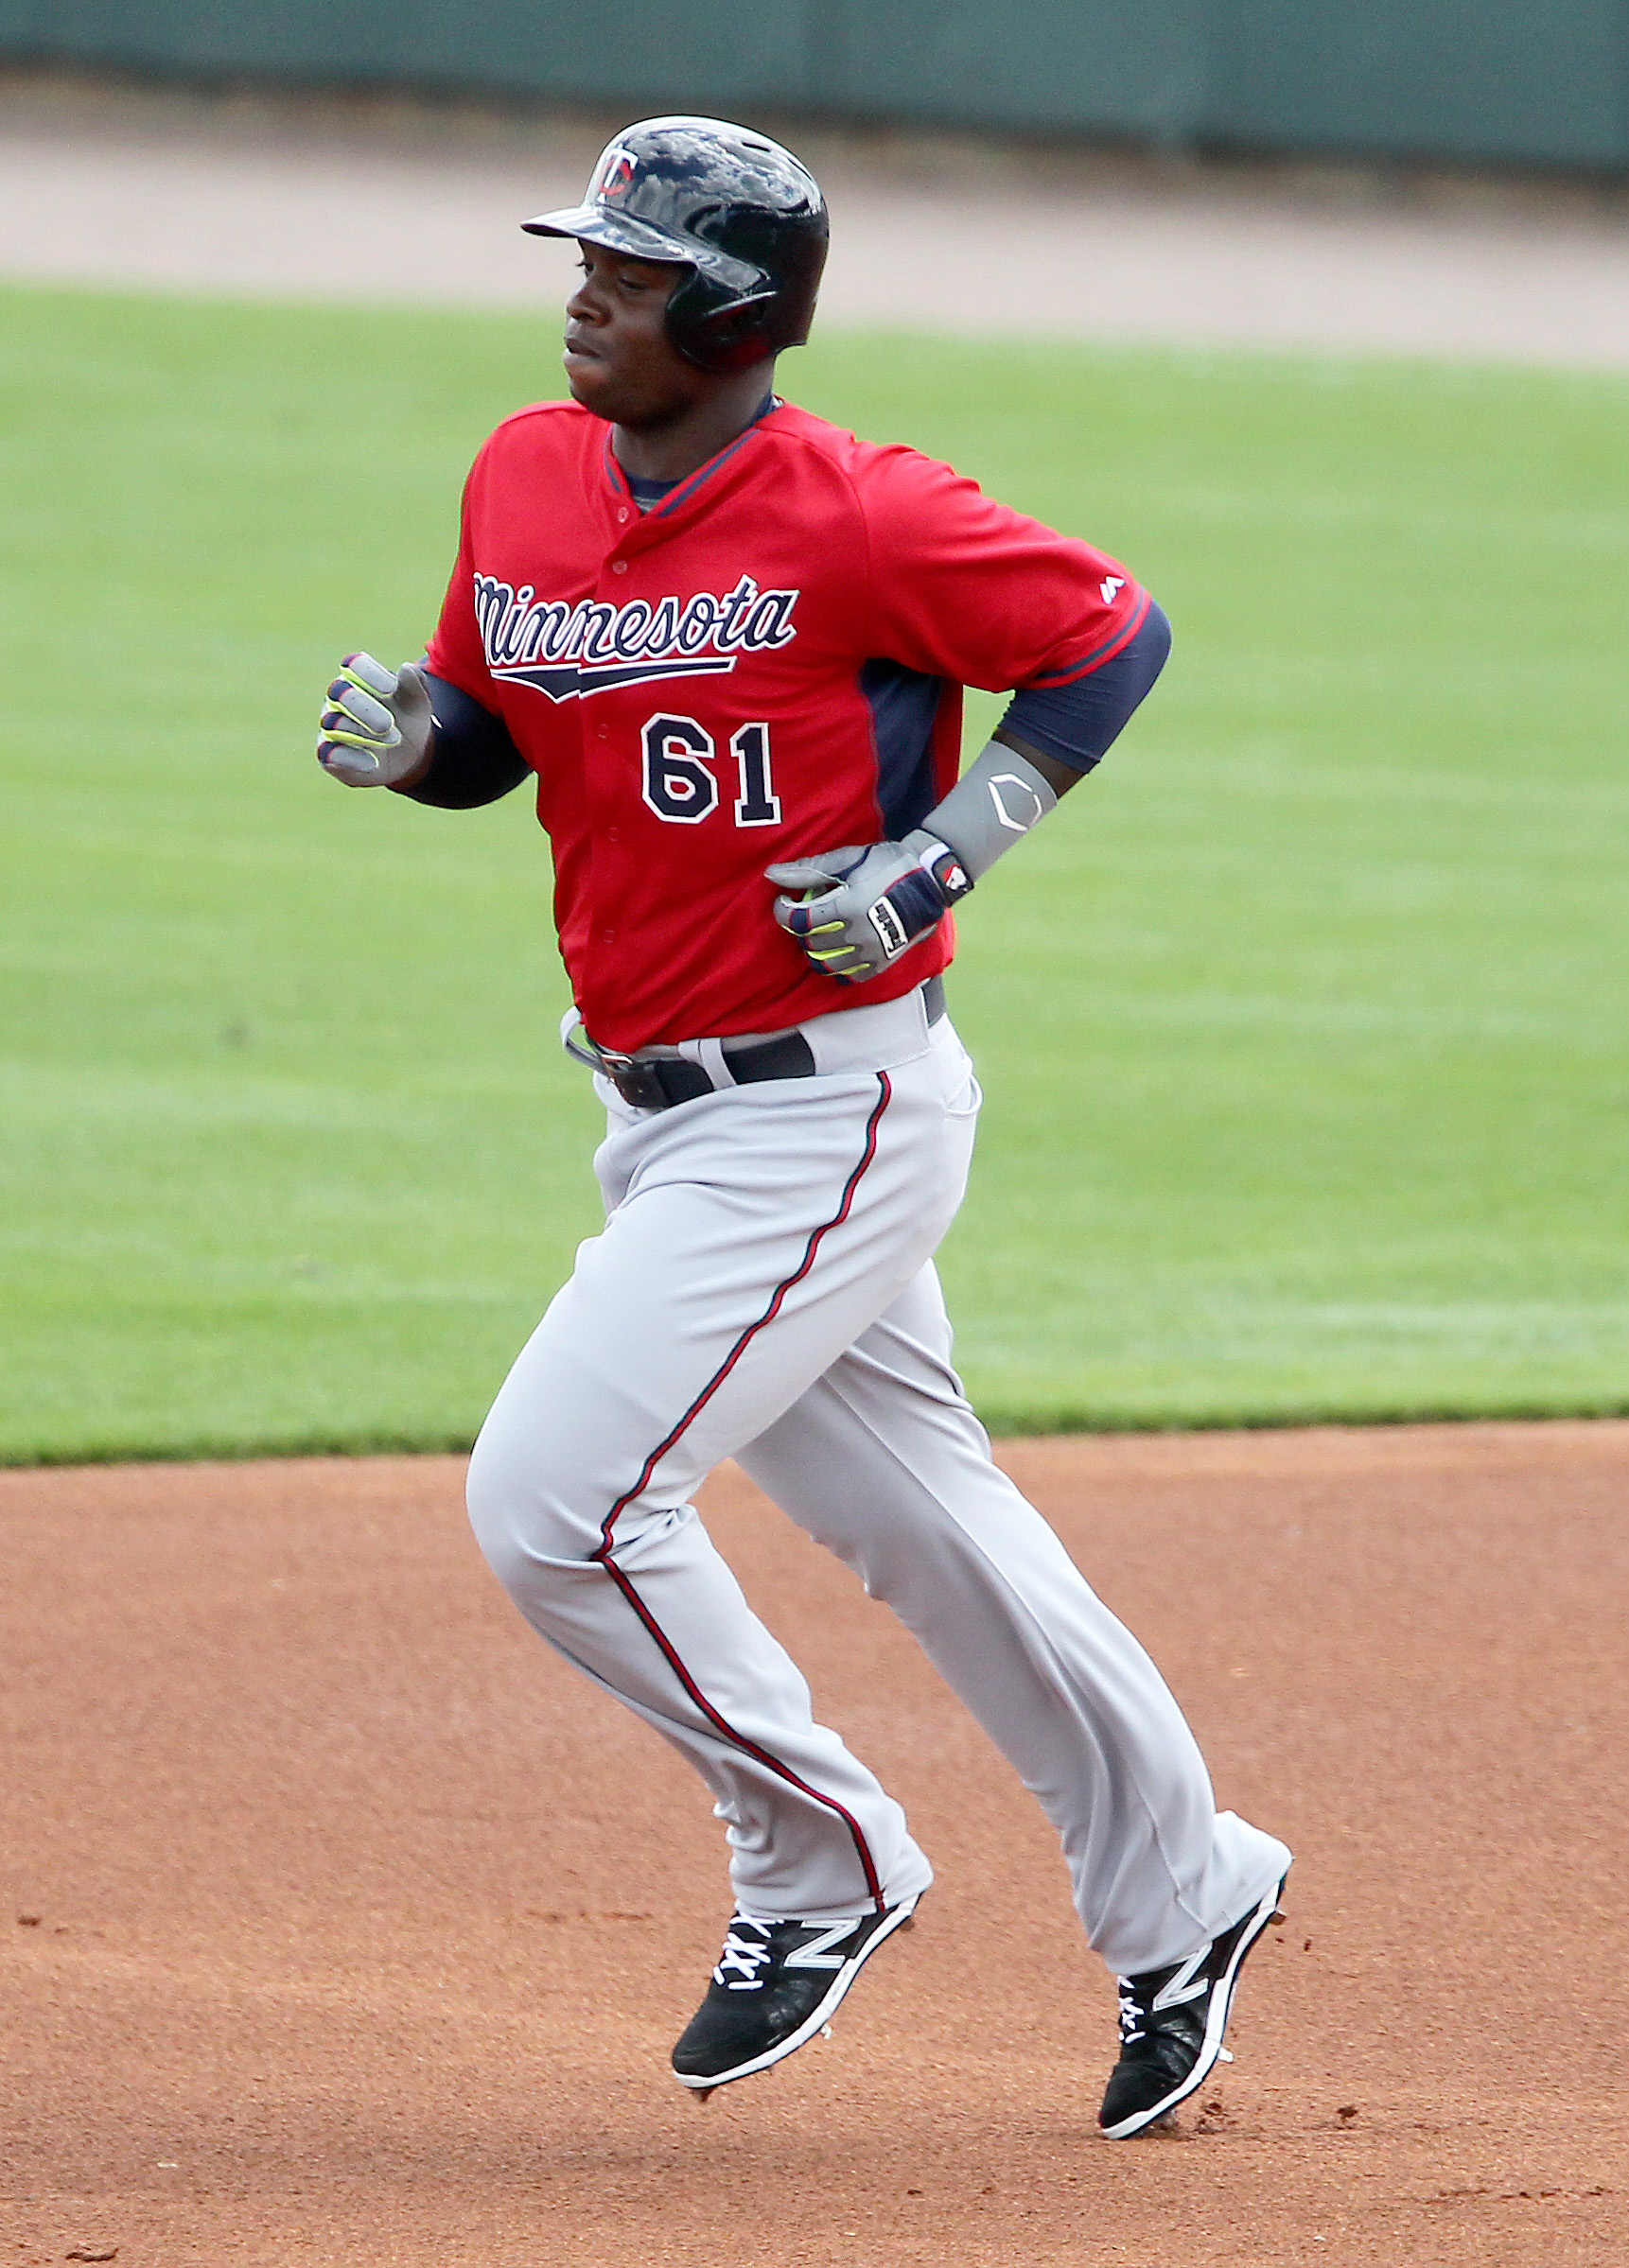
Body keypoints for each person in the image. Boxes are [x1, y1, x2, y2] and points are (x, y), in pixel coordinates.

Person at [315, 115, 1289, 2138]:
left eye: (632, 269)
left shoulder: (858, 511)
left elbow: (1108, 632)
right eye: (585, 257)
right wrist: (420, 740)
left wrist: (947, 853)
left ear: (738, 309)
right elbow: (497, 725)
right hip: (664, 1117)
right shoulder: (519, 470)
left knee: (556, 1504)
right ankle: (1186, 1886)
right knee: (941, 1535)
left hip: (824, 1112)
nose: (586, 290)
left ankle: (823, 1853)